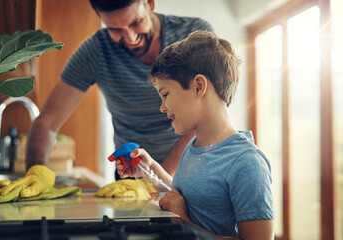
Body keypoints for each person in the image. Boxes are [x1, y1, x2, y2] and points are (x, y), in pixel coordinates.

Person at [24, 0, 214, 179]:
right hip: (132, 174)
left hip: (194, 170)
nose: (131, 39)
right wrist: (36, 174)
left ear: (149, 3)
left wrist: (160, 177)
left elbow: (209, 114)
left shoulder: (194, 35)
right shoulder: (96, 50)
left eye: (136, 22)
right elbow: (47, 123)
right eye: (115, 30)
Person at [117, 30, 274, 239]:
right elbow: (184, 198)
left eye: (165, 94)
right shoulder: (193, 147)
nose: (162, 108)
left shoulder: (246, 162)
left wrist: (185, 224)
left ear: (199, 86)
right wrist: (149, 171)